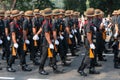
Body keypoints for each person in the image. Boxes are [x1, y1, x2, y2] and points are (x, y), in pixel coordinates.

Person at [78, 8, 100, 76]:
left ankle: (91, 68)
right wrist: (91, 43)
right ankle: (81, 69)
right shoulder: (89, 23)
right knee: (88, 56)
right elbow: (88, 34)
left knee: (93, 55)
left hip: (92, 40)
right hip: (89, 41)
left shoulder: (91, 22)